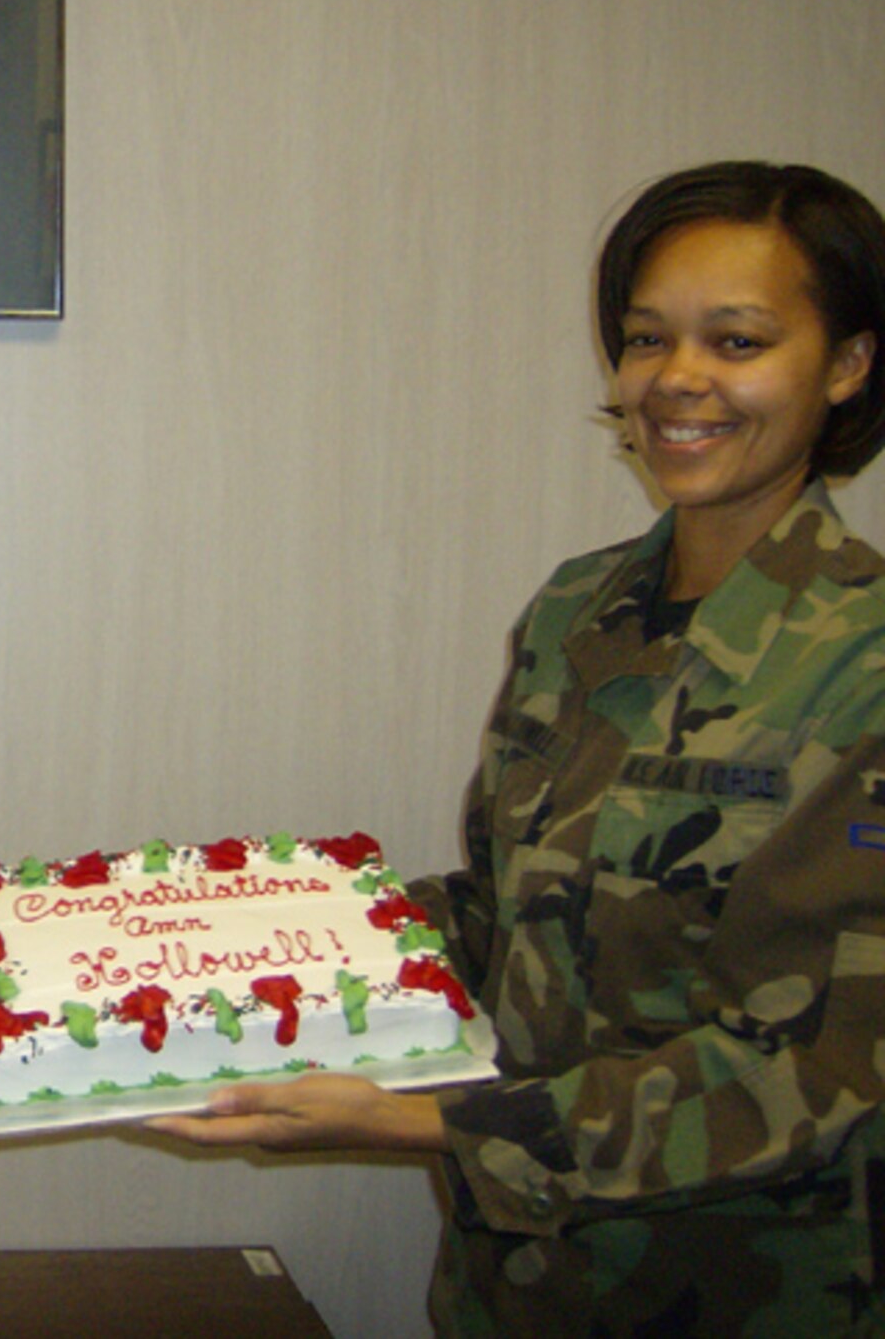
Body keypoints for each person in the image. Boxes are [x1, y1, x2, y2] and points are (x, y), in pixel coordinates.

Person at [151, 160, 885, 1336]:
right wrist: (222, 946)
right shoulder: (577, 611)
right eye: (645, 339)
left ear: (845, 366)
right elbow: (500, 919)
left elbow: (815, 1069)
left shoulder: (863, 664)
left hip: (740, 1295)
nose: (676, 381)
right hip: (508, 1291)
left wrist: (423, 1125)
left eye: (736, 341)